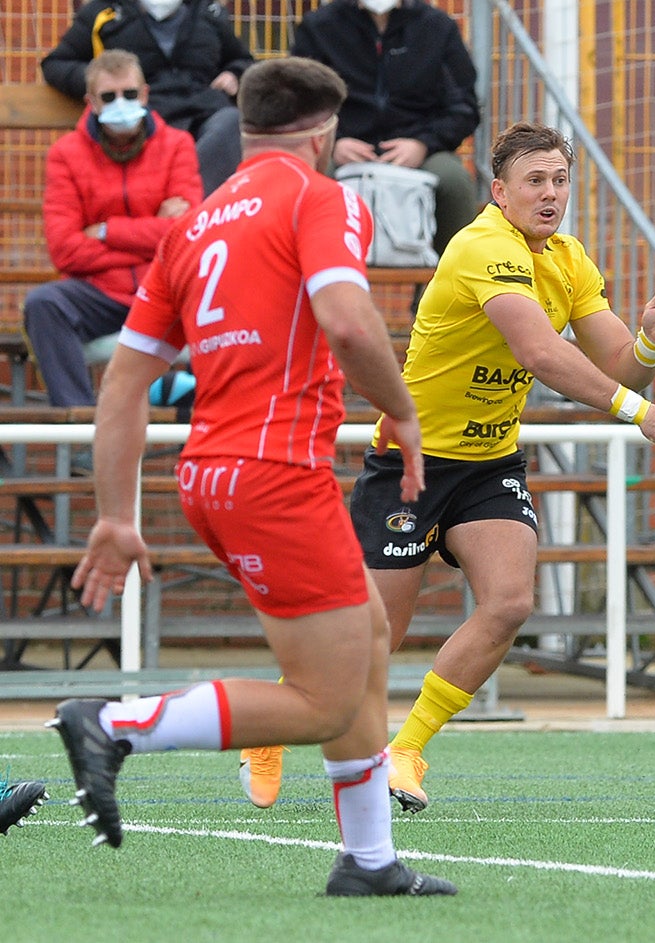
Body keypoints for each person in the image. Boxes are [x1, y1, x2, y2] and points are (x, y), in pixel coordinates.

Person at [51, 56, 455, 897]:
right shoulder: (320, 195)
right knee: (325, 703)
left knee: (366, 644)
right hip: (276, 473)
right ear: (323, 132)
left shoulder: (192, 227)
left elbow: (122, 383)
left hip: (209, 475)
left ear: (248, 129)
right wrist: (405, 412)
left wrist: (116, 515)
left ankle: (370, 860)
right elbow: (347, 322)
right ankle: (117, 724)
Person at [238, 121, 655, 813]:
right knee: (368, 638)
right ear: (499, 191)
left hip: (488, 462)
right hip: (413, 459)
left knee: (510, 600)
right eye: (535, 181)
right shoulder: (484, 245)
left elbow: (610, 361)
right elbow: (540, 354)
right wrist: (641, 412)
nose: (550, 194)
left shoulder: (569, 258)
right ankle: (267, 730)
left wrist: (650, 341)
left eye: (559, 180)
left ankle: (408, 747)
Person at [23, 50, 202, 410]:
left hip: (164, 288)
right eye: (109, 96)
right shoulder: (66, 153)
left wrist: (106, 231)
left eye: (130, 94)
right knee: (44, 304)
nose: (122, 104)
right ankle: (83, 434)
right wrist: (155, 234)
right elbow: (65, 249)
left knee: (221, 290)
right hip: (100, 294)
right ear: (90, 102)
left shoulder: (177, 144)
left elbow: (188, 235)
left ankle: (209, 429)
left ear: (146, 94)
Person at [290, 0, 481, 256]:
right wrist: (333, 142)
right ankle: (314, 283)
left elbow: (464, 106)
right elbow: (298, 100)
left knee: (454, 182)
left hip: (420, 149)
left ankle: (450, 285)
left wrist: (424, 143)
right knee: (310, 182)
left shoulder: (437, 26)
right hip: (339, 148)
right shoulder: (319, 26)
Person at [42, 0, 254, 195]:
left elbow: (242, 60)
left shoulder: (209, 11)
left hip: (205, 113)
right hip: (144, 118)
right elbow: (56, 64)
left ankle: (185, 206)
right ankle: (181, 210)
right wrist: (102, 81)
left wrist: (234, 73)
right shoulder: (104, 12)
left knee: (231, 122)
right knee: (154, 141)